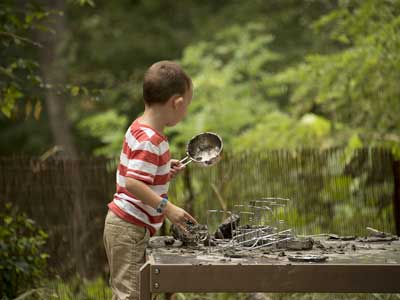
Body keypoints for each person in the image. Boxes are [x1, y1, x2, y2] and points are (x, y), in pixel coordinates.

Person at [103, 60, 197, 300]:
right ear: (177, 103)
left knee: (129, 293)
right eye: (187, 104)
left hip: (129, 226)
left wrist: (163, 168)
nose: (186, 109)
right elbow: (132, 182)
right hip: (128, 228)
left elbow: (142, 171)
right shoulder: (150, 140)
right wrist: (169, 209)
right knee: (133, 295)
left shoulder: (140, 126)